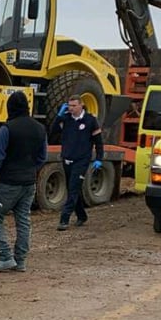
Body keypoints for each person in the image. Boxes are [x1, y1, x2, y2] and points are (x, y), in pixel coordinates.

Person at [0, 90, 47, 272]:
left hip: (9, 181)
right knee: (23, 219)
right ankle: (20, 260)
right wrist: (30, 168)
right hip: (29, 182)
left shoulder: (7, 128)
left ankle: (5, 256)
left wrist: (0, 170)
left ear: (9, 107)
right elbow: (42, 156)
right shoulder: (40, 128)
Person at [50, 95, 105, 230]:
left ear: (81, 105)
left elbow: (98, 142)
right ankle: (81, 215)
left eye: (74, 106)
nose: (71, 108)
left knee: (73, 187)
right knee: (72, 189)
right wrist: (58, 116)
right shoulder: (66, 119)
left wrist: (99, 158)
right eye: (69, 106)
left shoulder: (90, 120)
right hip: (67, 158)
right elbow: (52, 133)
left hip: (81, 160)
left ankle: (64, 219)